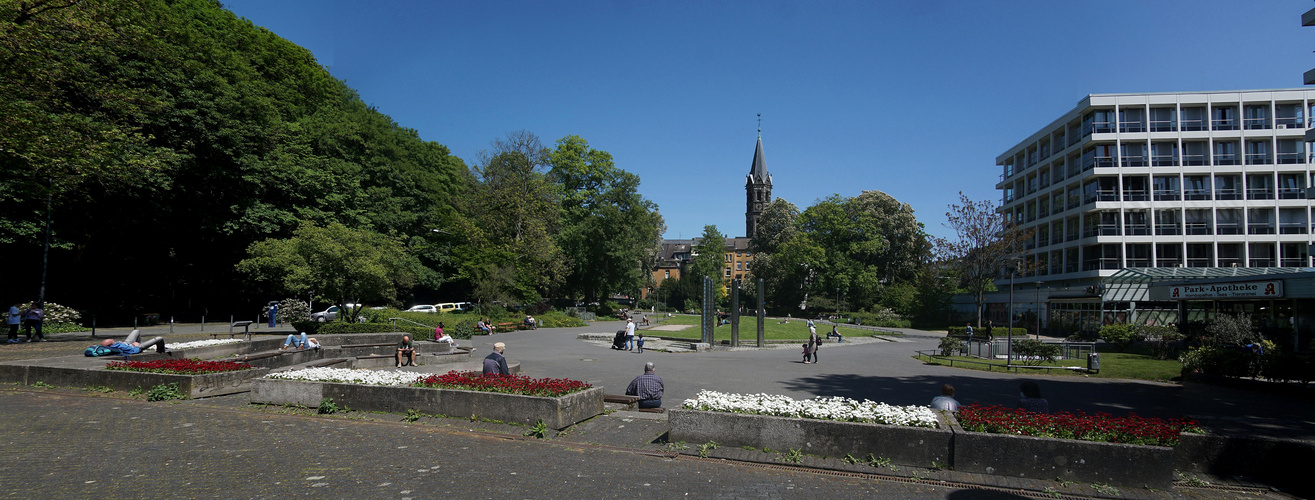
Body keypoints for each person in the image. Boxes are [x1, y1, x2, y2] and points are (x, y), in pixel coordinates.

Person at [99, 330, 167, 358]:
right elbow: (134, 351)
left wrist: (122, 343)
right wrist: (137, 346)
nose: (114, 340)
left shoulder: (115, 345)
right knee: (159, 338)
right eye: (113, 341)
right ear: (111, 345)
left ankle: (143, 344)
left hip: (127, 343)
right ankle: (161, 350)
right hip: (136, 347)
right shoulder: (120, 348)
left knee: (136, 331)